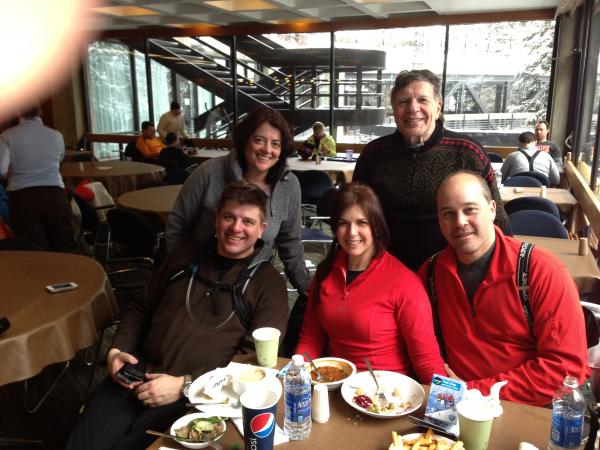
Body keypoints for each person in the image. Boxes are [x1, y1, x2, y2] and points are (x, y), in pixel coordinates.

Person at [66, 181, 289, 450]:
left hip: (196, 398)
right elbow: (141, 306)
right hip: (134, 374)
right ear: (216, 218)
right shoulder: (182, 256)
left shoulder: (268, 283)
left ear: (261, 228)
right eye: (229, 217)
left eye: (248, 221)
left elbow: (252, 363)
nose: (236, 228)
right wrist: (117, 350)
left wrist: (186, 385)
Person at [419, 171, 588, 406]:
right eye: (448, 213)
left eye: (470, 209)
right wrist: (448, 391)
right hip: (452, 404)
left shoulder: (541, 271)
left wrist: (473, 392)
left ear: (492, 209)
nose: (459, 222)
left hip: (524, 407)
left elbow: (566, 369)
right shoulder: (430, 273)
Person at [353, 69, 509, 271]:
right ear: (394, 109)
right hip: (384, 270)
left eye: (423, 100)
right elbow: (353, 214)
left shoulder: (468, 153)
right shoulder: (373, 154)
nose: (413, 109)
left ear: (438, 107)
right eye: (403, 102)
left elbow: (499, 221)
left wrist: (507, 269)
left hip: (452, 272)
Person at [296, 182, 445, 382]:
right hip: (333, 385)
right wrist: (295, 377)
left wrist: (447, 396)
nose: (352, 232)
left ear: (376, 226)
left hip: (386, 392)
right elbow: (311, 339)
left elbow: (427, 362)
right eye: (343, 223)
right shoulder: (325, 272)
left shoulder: (405, 284)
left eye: (361, 223)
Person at [166, 107, 311, 294]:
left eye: (275, 144)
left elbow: (290, 242)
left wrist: (307, 288)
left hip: (251, 282)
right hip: (198, 277)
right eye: (259, 140)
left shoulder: (289, 186)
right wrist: (182, 274)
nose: (267, 150)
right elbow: (177, 226)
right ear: (245, 141)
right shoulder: (209, 172)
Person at [0, 103, 75, 251]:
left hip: (23, 198)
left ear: (18, 112)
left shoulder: (7, 136)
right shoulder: (56, 135)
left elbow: (1, 170)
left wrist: (15, 171)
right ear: (40, 112)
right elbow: (58, 161)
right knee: (63, 246)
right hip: (55, 196)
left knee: (34, 251)